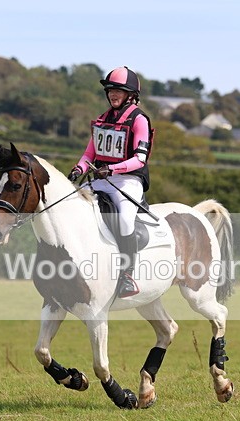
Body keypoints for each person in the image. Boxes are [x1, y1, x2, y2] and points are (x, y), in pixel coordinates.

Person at [68, 66, 154, 298]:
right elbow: (89, 154)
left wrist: (113, 169)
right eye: (110, 90)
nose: (113, 94)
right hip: (102, 178)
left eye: (119, 90)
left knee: (125, 220)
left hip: (128, 180)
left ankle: (127, 275)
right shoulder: (102, 119)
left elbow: (140, 159)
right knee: (72, 206)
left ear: (131, 94)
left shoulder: (139, 120)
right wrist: (78, 169)